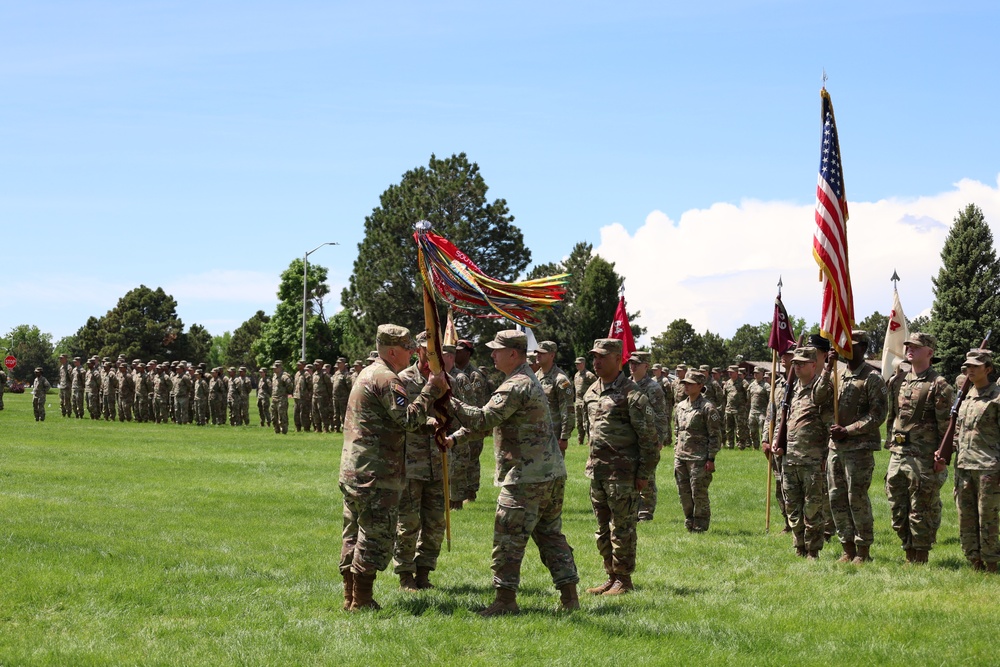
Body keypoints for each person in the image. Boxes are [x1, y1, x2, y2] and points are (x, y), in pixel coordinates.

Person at [444, 329, 579, 616]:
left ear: (513, 354)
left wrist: (447, 399)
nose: (491, 354)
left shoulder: (515, 384)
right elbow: (491, 420)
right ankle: (570, 598)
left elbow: (483, 417)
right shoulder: (523, 381)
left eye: (497, 350)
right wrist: (454, 439)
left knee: (507, 539)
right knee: (551, 536)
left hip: (526, 477)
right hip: (549, 473)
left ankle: (505, 601)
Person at [339, 324, 448, 611]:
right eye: (407, 347)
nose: (413, 351)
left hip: (355, 469)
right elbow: (407, 419)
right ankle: (361, 601)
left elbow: (385, 419)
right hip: (377, 472)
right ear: (391, 351)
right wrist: (430, 389)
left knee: (354, 533)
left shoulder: (367, 373)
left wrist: (426, 426)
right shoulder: (389, 379)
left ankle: (350, 597)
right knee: (375, 535)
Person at [582, 338, 658, 595]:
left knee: (622, 528)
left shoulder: (632, 395)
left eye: (602, 356)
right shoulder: (591, 391)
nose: (597, 361)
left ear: (618, 359)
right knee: (602, 528)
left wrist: (644, 474)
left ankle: (624, 580)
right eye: (594, 356)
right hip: (597, 472)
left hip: (623, 474)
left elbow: (649, 439)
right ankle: (610, 575)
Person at [885, 332, 954, 564]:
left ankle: (920, 555)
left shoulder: (939, 384)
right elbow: (892, 416)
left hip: (924, 457)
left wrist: (942, 457)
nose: (909, 349)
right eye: (908, 345)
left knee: (921, 507)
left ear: (930, 353)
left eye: (916, 346)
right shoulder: (899, 380)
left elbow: (948, 427)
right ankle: (907, 550)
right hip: (899, 453)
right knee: (897, 506)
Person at [393, 332, 449, 591]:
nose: (433, 356)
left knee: (436, 521)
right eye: (429, 351)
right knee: (409, 522)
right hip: (411, 463)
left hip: (438, 462)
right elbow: (403, 419)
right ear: (418, 351)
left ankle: (425, 571)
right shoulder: (403, 380)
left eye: (437, 351)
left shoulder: (445, 380)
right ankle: (405, 573)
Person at [827, 331, 888, 564]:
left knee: (856, 498)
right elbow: (820, 397)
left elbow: (878, 414)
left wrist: (849, 430)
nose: (845, 348)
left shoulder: (872, 378)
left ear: (863, 347)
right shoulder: (837, 374)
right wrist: (827, 367)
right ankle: (847, 547)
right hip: (836, 448)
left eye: (851, 345)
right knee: (836, 497)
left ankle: (863, 550)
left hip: (859, 448)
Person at [771, 346, 833, 559]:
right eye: (794, 363)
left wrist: (826, 457)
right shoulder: (792, 389)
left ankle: (813, 550)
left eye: (801, 363)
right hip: (790, 458)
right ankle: (798, 546)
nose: (795, 366)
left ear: (813, 365)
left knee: (813, 507)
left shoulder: (821, 390)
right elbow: (782, 420)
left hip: (812, 459)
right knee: (792, 506)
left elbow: (829, 426)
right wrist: (777, 443)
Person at [953, 348, 1000, 571]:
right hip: (963, 465)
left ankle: (991, 562)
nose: (970, 370)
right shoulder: (966, 396)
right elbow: (960, 430)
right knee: (966, 516)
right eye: (967, 367)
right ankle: (974, 560)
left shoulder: (997, 397)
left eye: (975, 366)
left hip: (989, 466)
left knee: (987, 518)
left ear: (988, 369)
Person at [673, 370, 721, 532]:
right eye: (684, 383)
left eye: (690, 384)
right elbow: (677, 431)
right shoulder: (680, 406)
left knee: (698, 493)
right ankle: (689, 521)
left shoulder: (707, 408)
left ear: (700, 386)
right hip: (681, 457)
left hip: (699, 458)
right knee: (684, 492)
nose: (686, 386)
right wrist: (676, 450)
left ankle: (700, 524)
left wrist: (711, 458)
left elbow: (715, 435)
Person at [628, 350, 669, 522]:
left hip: (647, 437)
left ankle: (646, 511)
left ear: (646, 366)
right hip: (629, 438)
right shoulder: (626, 384)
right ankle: (633, 508)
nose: (632, 366)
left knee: (647, 476)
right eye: (631, 362)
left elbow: (661, 415)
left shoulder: (653, 388)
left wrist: (659, 439)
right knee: (630, 474)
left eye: (636, 363)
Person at [453, 339, 490, 504]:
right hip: (457, 422)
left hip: (472, 423)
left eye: (459, 350)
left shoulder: (474, 375)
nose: (455, 353)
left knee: (472, 458)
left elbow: (476, 402)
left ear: (468, 353)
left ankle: (470, 493)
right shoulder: (453, 372)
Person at [535, 340, 575, 455]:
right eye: (537, 352)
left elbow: (567, 410)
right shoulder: (535, 376)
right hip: (535, 434)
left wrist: (564, 437)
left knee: (552, 472)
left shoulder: (560, 380)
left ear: (552, 355)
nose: (538, 355)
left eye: (542, 353)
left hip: (553, 436)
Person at [723, 365, 750, 449]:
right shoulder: (727, 383)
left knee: (740, 429)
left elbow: (748, 396)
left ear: (736, 372)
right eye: (729, 372)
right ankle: (730, 445)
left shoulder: (743, 382)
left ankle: (741, 445)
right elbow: (725, 396)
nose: (730, 373)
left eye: (732, 372)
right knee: (729, 429)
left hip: (739, 410)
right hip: (729, 409)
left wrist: (744, 406)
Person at [573, 356, 597, 445]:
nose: (577, 366)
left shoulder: (589, 375)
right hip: (578, 402)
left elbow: (596, 385)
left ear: (583, 364)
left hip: (586, 402)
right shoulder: (576, 375)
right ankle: (580, 440)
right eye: (576, 364)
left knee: (586, 422)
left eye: (578, 364)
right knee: (578, 422)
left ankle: (589, 440)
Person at [747, 367, 769, 450]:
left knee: (764, 431)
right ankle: (755, 447)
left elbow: (770, 399)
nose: (755, 374)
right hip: (752, 411)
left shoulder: (766, 385)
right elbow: (748, 397)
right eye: (754, 373)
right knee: (752, 431)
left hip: (762, 412)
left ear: (762, 374)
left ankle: (765, 446)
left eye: (757, 373)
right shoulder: (751, 385)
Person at [271, 361, 294, 435]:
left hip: (281, 399)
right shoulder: (274, 376)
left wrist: (287, 393)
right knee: (273, 416)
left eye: (275, 368)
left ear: (280, 368)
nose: (274, 369)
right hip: (274, 398)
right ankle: (276, 430)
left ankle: (284, 431)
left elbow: (290, 386)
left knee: (282, 416)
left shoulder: (284, 377)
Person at [332, 357, 352, 433]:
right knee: (336, 414)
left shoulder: (346, 374)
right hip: (335, 397)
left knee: (344, 414)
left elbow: (349, 386)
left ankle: (345, 428)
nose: (338, 364)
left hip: (343, 398)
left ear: (344, 364)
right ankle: (336, 428)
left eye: (340, 363)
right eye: (337, 363)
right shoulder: (336, 373)